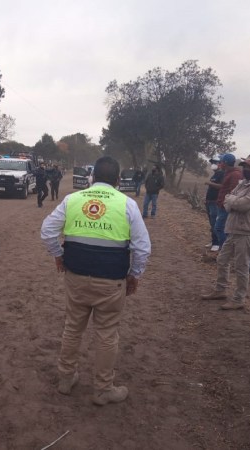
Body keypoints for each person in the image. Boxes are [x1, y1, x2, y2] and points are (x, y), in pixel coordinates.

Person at [41, 156, 151, 406]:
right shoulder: (128, 204)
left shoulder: (72, 200)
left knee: (72, 328)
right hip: (111, 281)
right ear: (118, 180)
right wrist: (135, 275)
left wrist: (58, 256)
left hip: (76, 277)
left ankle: (66, 379)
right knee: (107, 334)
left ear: (92, 178)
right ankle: (103, 389)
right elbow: (142, 248)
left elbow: (47, 231)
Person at [200, 156, 250, 310]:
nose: (246, 169)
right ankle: (220, 290)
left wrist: (232, 200)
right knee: (222, 259)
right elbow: (227, 201)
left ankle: (239, 299)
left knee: (241, 266)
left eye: (249, 167)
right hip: (232, 228)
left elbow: (242, 205)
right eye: (245, 166)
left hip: (245, 232)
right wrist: (233, 200)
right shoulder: (243, 183)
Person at [214, 153, 243, 249]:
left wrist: (225, 203)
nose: (220, 163)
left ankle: (225, 250)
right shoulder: (229, 173)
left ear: (225, 163)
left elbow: (233, 192)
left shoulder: (235, 174)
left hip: (225, 207)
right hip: (222, 205)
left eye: (221, 162)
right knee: (221, 228)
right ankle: (226, 250)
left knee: (219, 228)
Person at [204, 158, 224, 252]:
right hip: (209, 201)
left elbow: (221, 186)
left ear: (220, 163)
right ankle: (213, 241)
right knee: (212, 223)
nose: (213, 164)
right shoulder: (215, 174)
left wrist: (210, 183)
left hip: (215, 202)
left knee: (215, 223)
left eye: (215, 162)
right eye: (212, 163)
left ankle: (217, 243)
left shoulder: (222, 174)